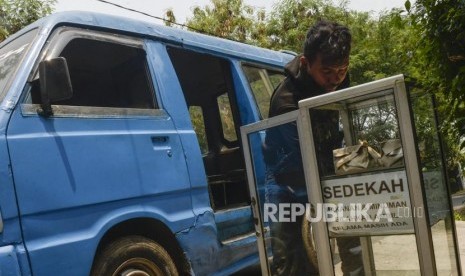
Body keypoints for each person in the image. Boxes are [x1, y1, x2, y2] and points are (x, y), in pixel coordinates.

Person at [263, 20, 364, 275]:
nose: (335, 79)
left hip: (327, 165)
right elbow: (301, 163)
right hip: (287, 176)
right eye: (328, 72)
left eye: (342, 70)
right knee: (293, 258)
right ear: (306, 64)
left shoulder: (338, 78)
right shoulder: (286, 102)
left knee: (353, 242)